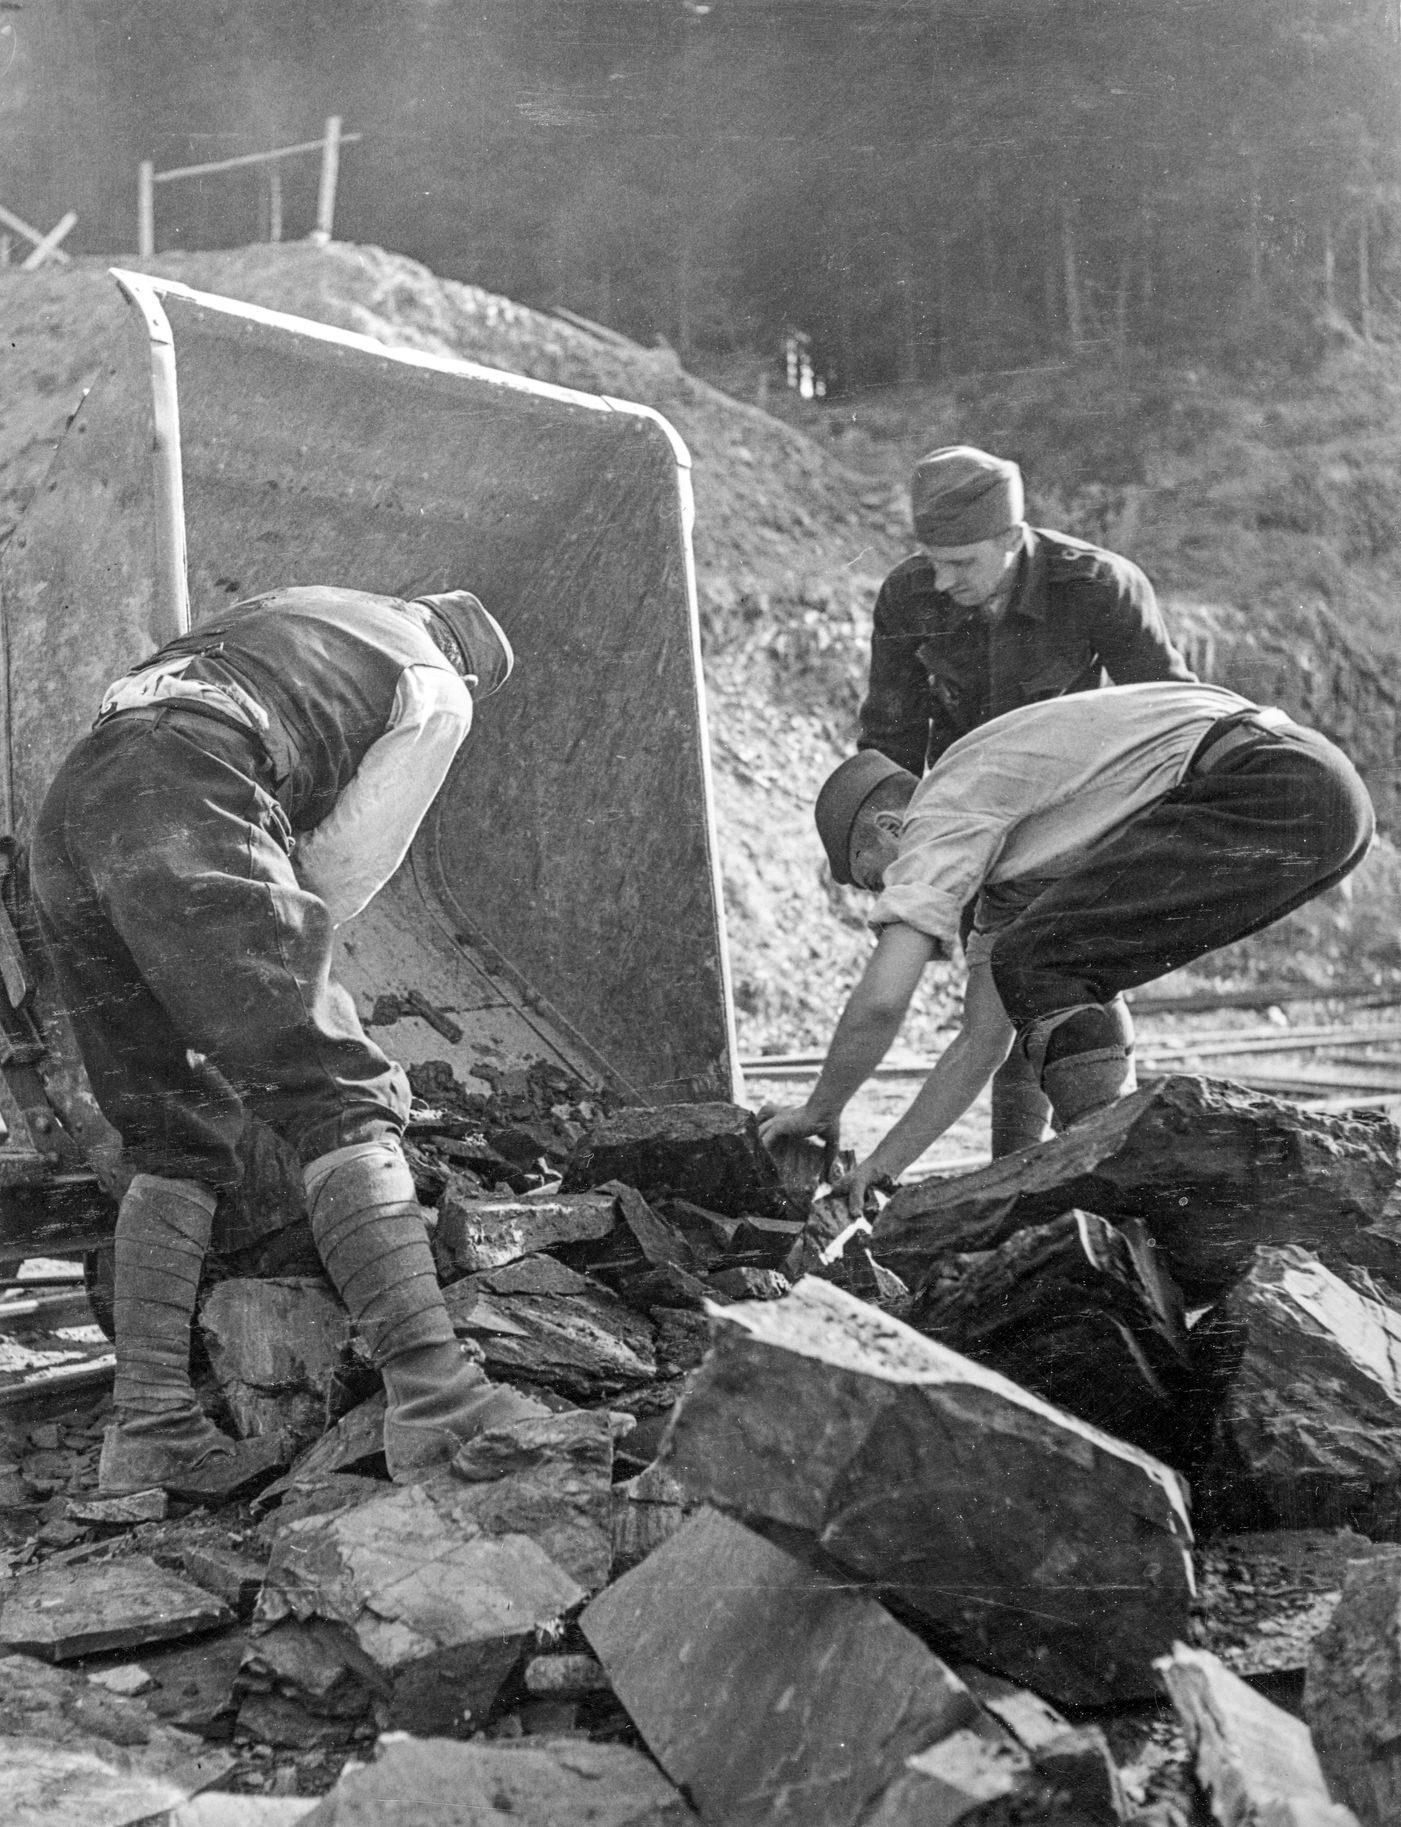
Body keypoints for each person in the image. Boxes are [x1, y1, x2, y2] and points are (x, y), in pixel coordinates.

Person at [31, 584, 548, 1501]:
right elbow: (341, 867)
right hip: (185, 790)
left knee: (169, 1129)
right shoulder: (438, 686)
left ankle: (150, 1428)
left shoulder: (313, 610)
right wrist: (279, 983)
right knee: (337, 1093)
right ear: (470, 666)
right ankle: (438, 1397)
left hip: (73, 812)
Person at [760, 680, 1373, 1218]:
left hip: (1266, 781)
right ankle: (1126, 1182)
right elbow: (981, 1044)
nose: (892, 892)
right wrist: (882, 1168)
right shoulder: (1012, 853)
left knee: (1040, 960)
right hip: (1323, 796)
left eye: (879, 878)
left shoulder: (944, 803)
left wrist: (820, 1108)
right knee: (1050, 960)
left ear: (894, 829)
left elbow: (882, 1000)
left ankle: (1127, 1190)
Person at [856, 444, 1197, 1156]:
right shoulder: (909, 595)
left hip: (1077, 822)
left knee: (1062, 984)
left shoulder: (1098, 586)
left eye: (961, 563)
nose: (942, 581)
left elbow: (1175, 720)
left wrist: (1148, 853)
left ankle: (1093, 1158)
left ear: (1012, 538)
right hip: (974, 826)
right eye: (933, 561)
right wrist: (905, 863)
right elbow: (889, 740)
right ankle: (1016, 1172)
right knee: (998, 998)